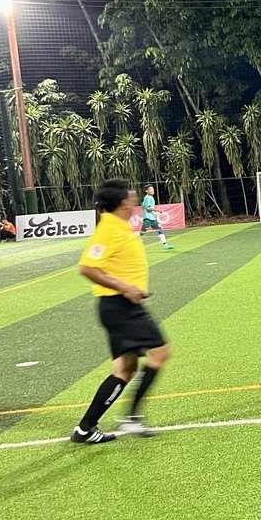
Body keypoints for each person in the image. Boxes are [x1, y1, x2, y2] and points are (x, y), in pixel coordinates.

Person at [71, 179, 170, 445]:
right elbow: (87, 268)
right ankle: (132, 418)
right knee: (160, 352)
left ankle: (85, 429)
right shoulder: (108, 230)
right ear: (123, 202)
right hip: (119, 306)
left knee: (124, 369)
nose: (135, 200)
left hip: (120, 306)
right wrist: (126, 288)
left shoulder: (119, 226)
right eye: (132, 197)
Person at [139, 185, 173, 250]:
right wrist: (157, 210)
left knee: (159, 230)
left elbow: (145, 207)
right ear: (146, 191)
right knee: (142, 233)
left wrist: (154, 213)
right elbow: (148, 208)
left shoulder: (150, 197)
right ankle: (128, 240)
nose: (152, 190)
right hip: (148, 218)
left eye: (152, 189)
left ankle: (166, 245)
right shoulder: (148, 197)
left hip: (152, 218)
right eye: (150, 189)